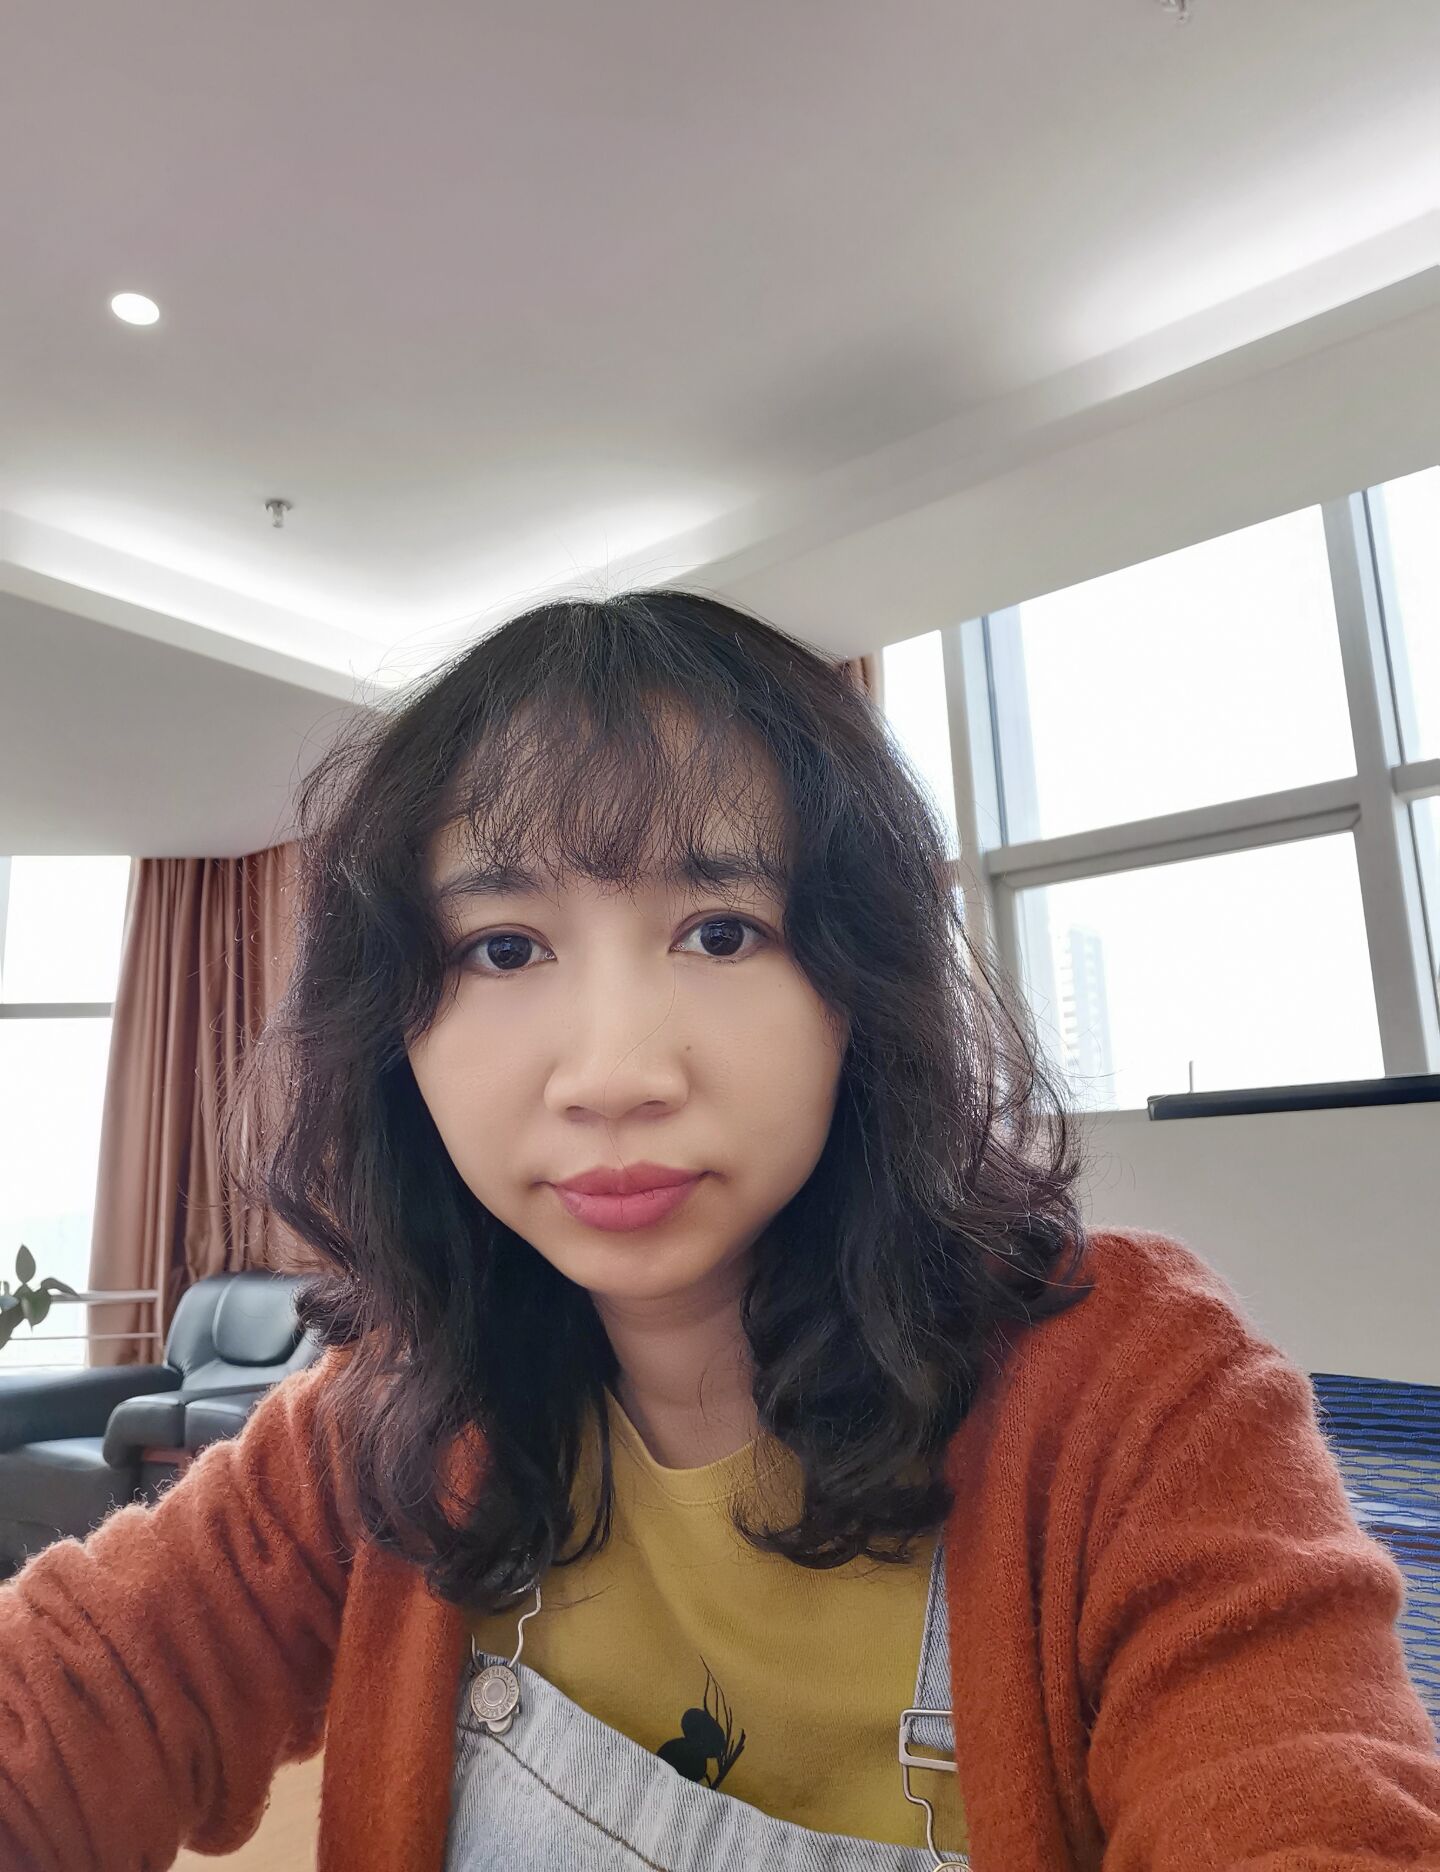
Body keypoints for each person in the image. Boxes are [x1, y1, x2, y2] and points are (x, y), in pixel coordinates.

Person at [1, 587, 1437, 1872]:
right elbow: (70, 1704)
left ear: (858, 986)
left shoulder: (1137, 1399)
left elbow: (1310, 1798)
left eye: (721, 930)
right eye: (503, 948)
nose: (616, 1073)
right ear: (398, 1034)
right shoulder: (389, 1423)